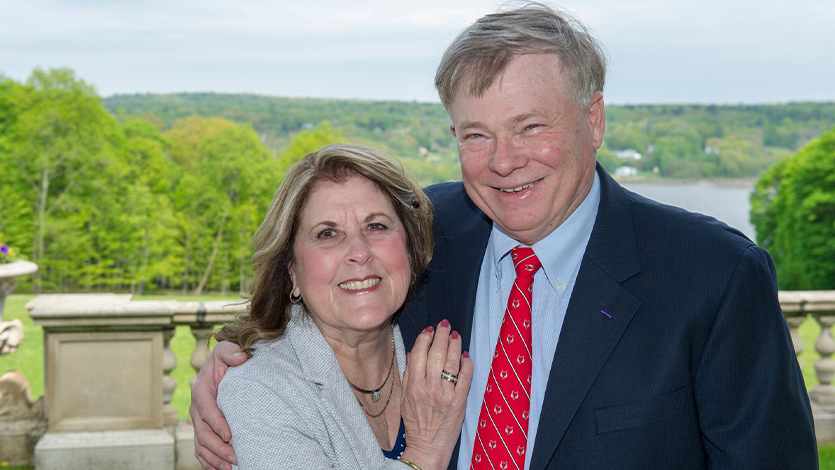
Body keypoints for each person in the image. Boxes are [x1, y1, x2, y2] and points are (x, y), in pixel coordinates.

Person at [192, 4, 817, 469]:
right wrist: (234, 367)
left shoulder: (713, 274)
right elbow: (323, 296)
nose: (504, 161)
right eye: (476, 134)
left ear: (593, 119)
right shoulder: (420, 233)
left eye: (530, 126)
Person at [209, 143, 473, 470]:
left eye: (376, 226)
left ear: (410, 247)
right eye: (328, 233)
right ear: (292, 271)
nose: (359, 252)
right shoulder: (259, 391)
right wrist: (425, 452)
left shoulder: (437, 338)